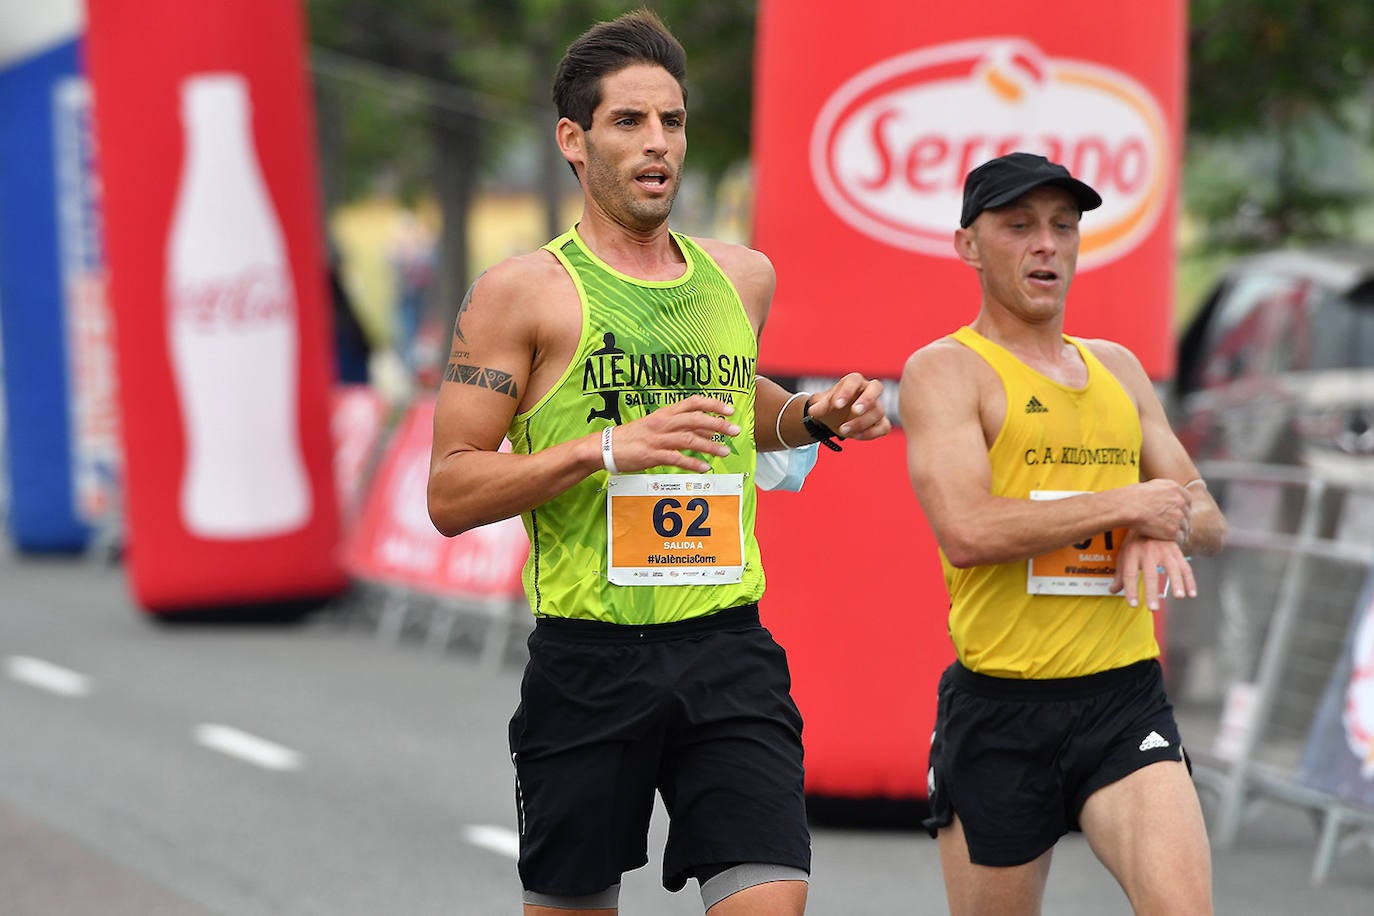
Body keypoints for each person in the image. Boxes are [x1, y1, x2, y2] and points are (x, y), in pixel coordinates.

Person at [426, 10, 890, 916]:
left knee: (772, 898)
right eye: (628, 122)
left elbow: (731, 405)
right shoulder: (523, 293)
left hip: (728, 647)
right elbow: (450, 488)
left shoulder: (740, 277)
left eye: (671, 122)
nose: (656, 145)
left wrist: (807, 417)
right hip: (590, 662)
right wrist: (605, 449)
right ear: (573, 138)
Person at [898, 151, 1227, 916]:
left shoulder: (1118, 367)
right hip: (1001, 711)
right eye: (1019, 226)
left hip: (1124, 702)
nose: (1046, 244)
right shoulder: (947, 371)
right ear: (968, 245)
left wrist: (1164, 522)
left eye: (1064, 227)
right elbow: (968, 530)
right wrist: (1128, 507)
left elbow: (1205, 514)